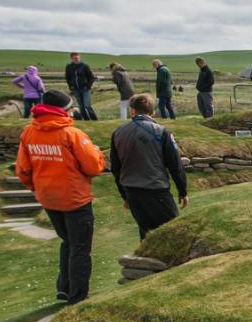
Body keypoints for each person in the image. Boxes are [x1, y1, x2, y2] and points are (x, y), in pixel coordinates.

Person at [14, 89, 105, 305]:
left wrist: (35, 187)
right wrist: (98, 154)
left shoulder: (29, 133)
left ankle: (64, 288)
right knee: (80, 247)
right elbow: (93, 167)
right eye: (70, 108)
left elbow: (23, 169)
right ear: (63, 110)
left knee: (68, 241)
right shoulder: (71, 134)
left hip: (48, 197)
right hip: (74, 198)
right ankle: (78, 297)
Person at [108, 93, 188, 237]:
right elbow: (175, 165)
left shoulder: (118, 133)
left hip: (132, 192)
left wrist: (125, 196)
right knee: (173, 233)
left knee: (146, 234)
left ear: (132, 111)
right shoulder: (161, 132)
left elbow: (116, 168)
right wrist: (182, 191)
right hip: (156, 190)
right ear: (153, 112)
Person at [64, 53, 98, 121]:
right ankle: (86, 120)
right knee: (81, 106)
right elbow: (67, 78)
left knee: (87, 105)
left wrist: (88, 86)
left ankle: (94, 120)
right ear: (72, 59)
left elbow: (91, 77)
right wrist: (71, 86)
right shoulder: (69, 67)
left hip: (85, 89)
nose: (77, 59)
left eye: (78, 58)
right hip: (75, 89)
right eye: (75, 58)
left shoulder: (85, 66)